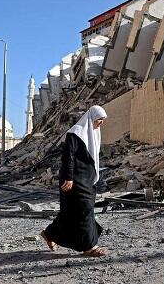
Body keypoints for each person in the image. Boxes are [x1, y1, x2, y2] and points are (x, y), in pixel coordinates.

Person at [40, 105, 108, 257]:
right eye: (99, 119)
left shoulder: (94, 134)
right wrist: (68, 178)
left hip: (88, 180)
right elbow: (68, 157)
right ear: (91, 118)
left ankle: (49, 233)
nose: (101, 122)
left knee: (71, 212)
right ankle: (89, 246)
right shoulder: (75, 133)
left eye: (103, 120)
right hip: (75, 180)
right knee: (85, 210)